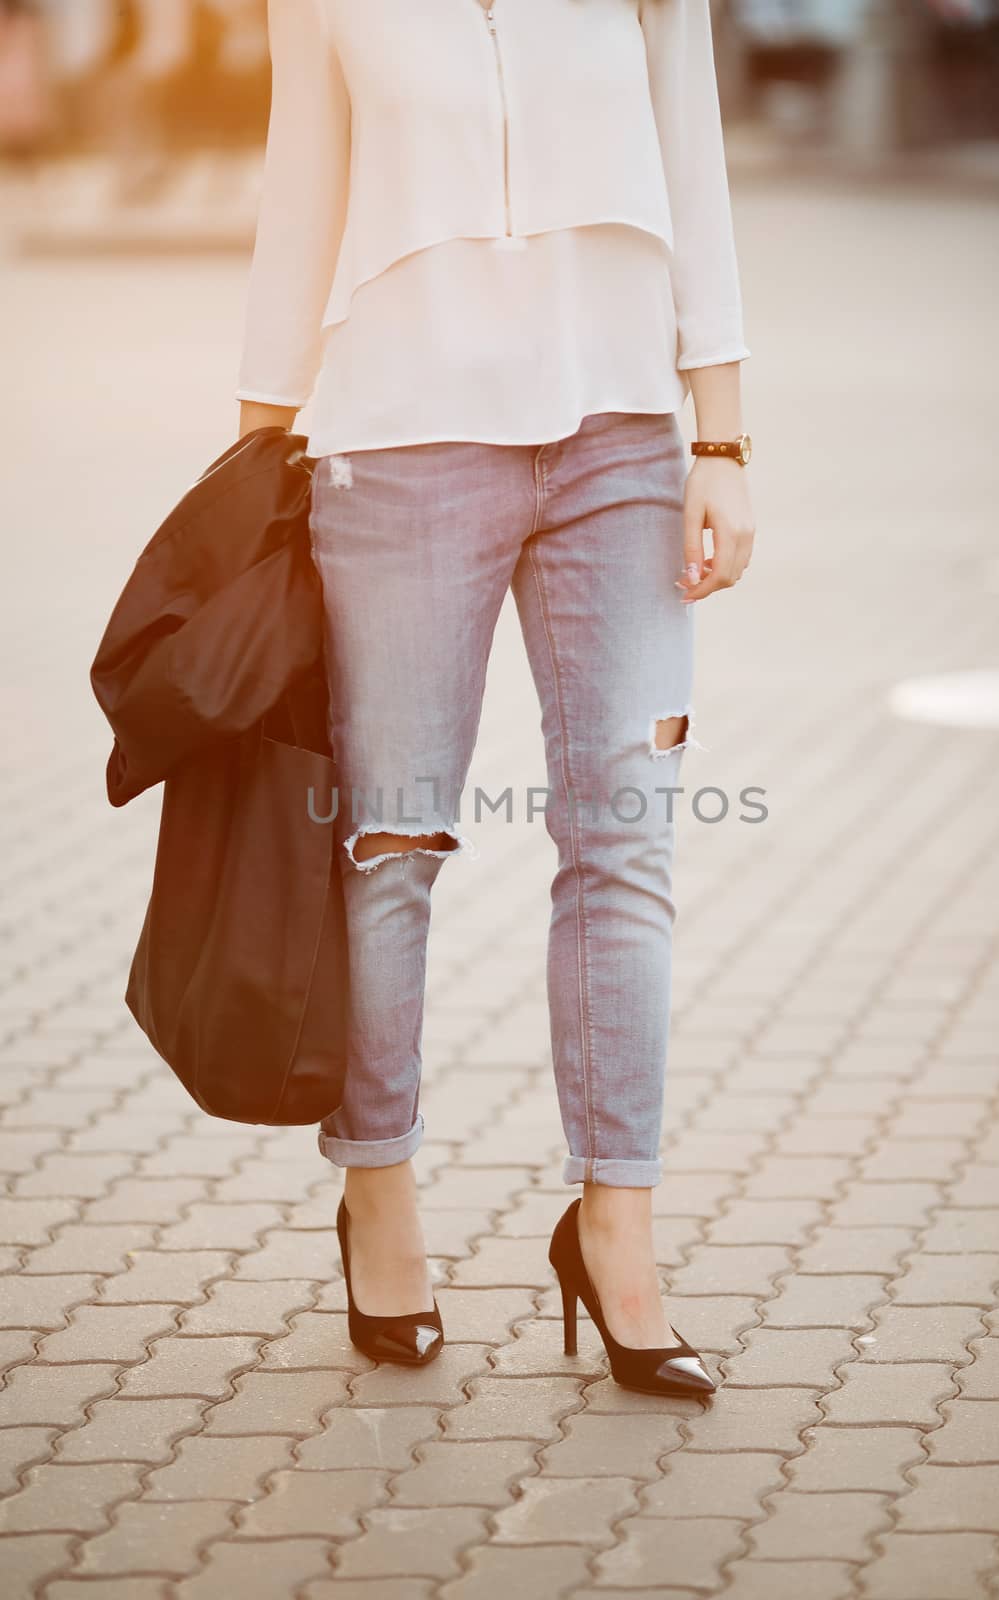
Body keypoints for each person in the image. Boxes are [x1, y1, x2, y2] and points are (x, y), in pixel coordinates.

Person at [235, 0, 755, 1398]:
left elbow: (691, 164)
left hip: (622, 443)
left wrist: (723, 431)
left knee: (625, 845)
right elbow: (303, 191)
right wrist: (252, 454)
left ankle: (617, 1234)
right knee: (389, 849)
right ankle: (380, 1196)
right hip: (401, 449)